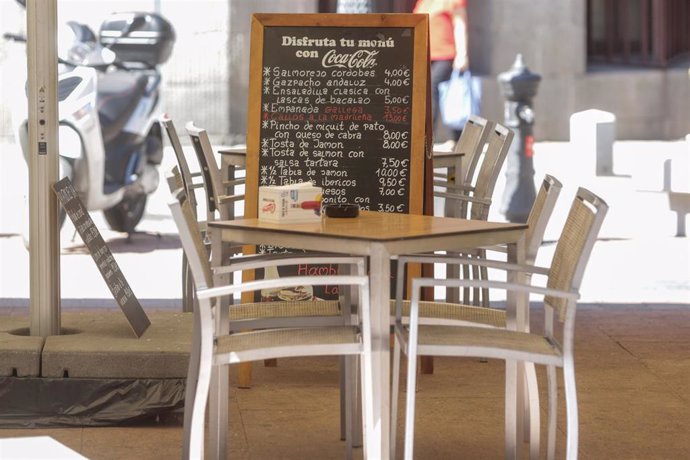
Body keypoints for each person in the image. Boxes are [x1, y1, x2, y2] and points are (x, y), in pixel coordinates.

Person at [413, 0, 469, 147]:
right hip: (426, 55)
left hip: (446, 55)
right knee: (427, 92)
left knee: (436, 90)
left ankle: (433, 138)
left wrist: (462, 54)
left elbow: (460, 24)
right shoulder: (423, 3)